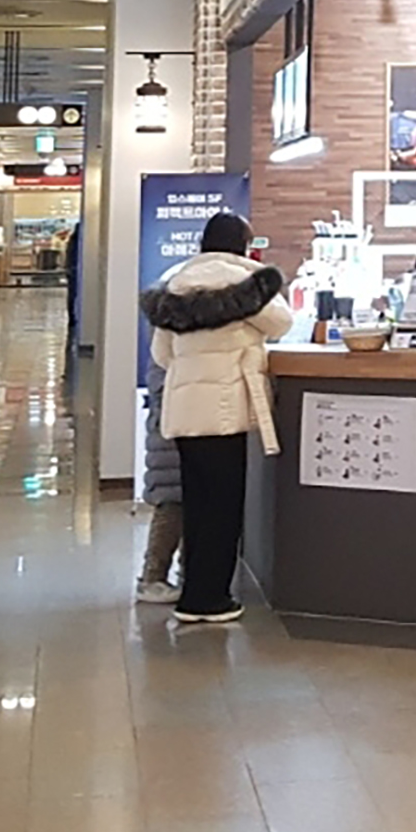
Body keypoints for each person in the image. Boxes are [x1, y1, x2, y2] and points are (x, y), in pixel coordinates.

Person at [139, 212, 290, 625]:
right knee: (224, 506)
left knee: (197, 500)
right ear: (244, 245)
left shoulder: (176, 283)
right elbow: (282, 323)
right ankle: (210, 598)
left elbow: (161, 354)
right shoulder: (248, 283)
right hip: (225, 410)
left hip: (184, 410)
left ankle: (192, 593)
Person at [134, 361, 183, 607]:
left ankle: (161, 575)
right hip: (173, 427)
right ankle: (153, 576)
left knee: (179, 503)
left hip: (170, 423)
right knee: (172, 506)